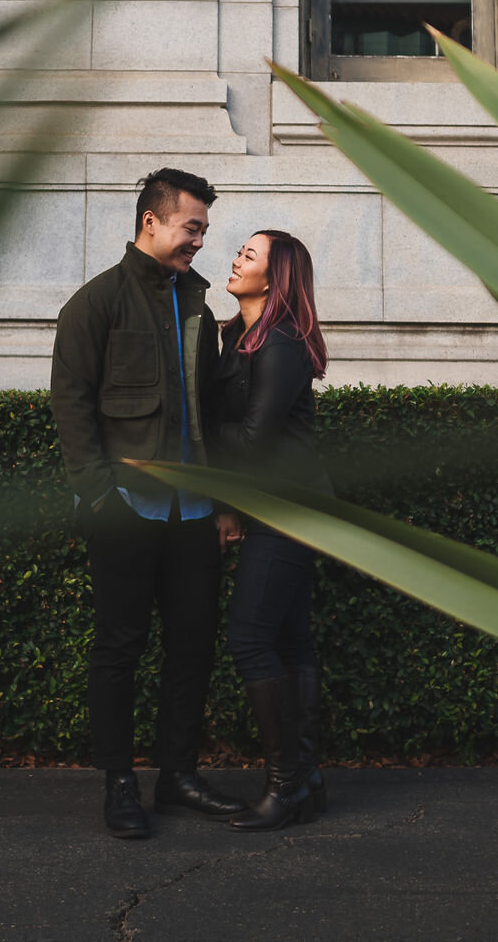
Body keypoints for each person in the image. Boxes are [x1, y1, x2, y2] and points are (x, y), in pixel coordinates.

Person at [49, 168, 249, 839]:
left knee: (192, 650)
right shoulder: (94, 304)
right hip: (127, 511)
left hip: (194, 517)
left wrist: (223, 503)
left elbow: (213, 415)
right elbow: (72, 406)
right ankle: (119, 783)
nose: (200, 240)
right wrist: (99, 495)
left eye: (203, 229)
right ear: (151, 223)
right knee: (119, 650)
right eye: (192, 226)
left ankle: (178, 775)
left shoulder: (197, 303)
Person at [213, 229, 331, 833]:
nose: (236, 259)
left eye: (249, 256)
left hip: (291, 509)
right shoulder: (235, 335)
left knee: (251, 640)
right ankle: (304, 779)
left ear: (276, 278)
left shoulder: (279, 343)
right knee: (289, 640)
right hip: (270, 506)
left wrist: (185, 431)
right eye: (239, 251)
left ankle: (284, 786)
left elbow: (254, 440)